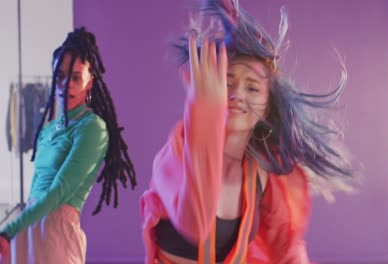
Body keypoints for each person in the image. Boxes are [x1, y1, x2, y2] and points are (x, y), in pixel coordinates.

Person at [140, 0, 356, 263]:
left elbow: (287, 248)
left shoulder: (264, 171)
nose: (237, 95)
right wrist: (206, 115)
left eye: (252, 88)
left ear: (266, 108)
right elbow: (195, 222)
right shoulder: (175, 153)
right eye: (227, 82)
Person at [0, 27, 137, 264]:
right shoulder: (48, 129)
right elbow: (35, 192)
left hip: (57, 237)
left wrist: (9, 229)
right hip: (27, 231)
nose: (66, 84)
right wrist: (17, 233)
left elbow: (59, 191)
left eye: (75, 77)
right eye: (60, 76)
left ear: (89, 82)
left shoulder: (92, 128)